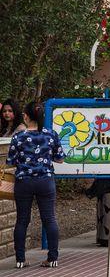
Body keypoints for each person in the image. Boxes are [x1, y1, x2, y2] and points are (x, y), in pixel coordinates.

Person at [5, 101, 65, 268]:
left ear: (25, 116)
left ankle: (20, 260)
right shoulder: (51, 134)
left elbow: (10, 161)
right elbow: (60, 158)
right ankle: (52, 258)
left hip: (24, 182)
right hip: (45, 181)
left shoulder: (18, 137)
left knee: (22, 220)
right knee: (49, 219)